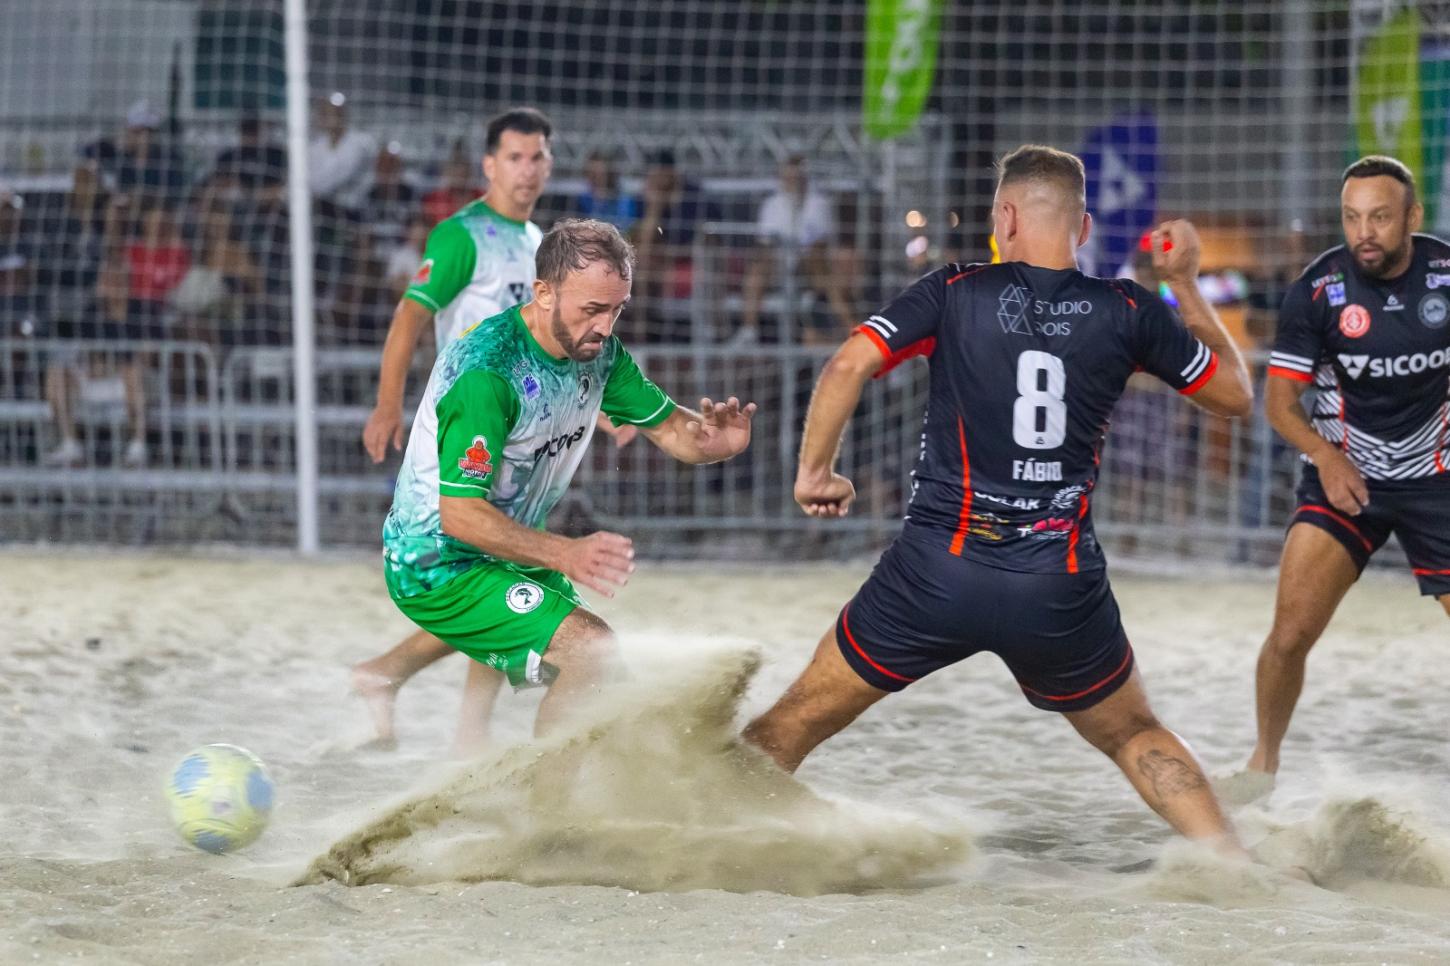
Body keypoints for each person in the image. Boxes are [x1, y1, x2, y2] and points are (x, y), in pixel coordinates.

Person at [741, 145, 1255, 852]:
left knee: (794, 720)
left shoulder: (954, 290)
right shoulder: (1130, 309)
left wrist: (815, 473)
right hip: (1055, 583)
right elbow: (1235, 396)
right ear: (1082, 225)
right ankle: (1232, 865)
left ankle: (709, 835)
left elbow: (847, 364)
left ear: (1005, 217)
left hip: (937, 571)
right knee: (1136, 733)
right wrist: (1187, 285)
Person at [381, 218, 755, 739]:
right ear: (544, 293)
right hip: (436, 566)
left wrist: (718, 444)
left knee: (607, 678)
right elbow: (458, 515)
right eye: (593, 309)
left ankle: (510, 765)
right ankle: (548, 808)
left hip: (502, 552)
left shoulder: (599, 356)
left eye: (617, 309)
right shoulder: (488, 374)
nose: (606, 326)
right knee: (590, 652)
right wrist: (565, 553)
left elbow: (674, 431)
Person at [356, 107, 626, 750]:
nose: (527, 169)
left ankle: (439, 715)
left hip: (525, 436)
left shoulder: (543, 244)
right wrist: (386, 404)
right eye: (514, 157)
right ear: (489, 164)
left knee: (501, 576)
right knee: (475, 568)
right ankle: (406, 689)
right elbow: (408, 320)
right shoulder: (462, 236)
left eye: (538, 157)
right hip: (470, 426)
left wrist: (600, 403)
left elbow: (554, 341)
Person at [1222, 156, 1450, 804]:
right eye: (1352, 218)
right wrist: (1326, 457)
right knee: (1290, 634)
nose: (1364, 232)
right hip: (1344, 476)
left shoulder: (1445, 274)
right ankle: (1262, 765)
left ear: (1412, 217)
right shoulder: (1319, 290)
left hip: (1438, 478)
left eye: (1379, 217)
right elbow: (1278, 404)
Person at [735, 155, 856, 346]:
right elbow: (766, 241)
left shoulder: (819, 204)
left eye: (796, 176)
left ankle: (852, 329)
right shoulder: (772, 205)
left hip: (812, 266)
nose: (792, 180)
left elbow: (820, 241)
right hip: (779, 263)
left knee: (819, 263)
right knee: (757, 271)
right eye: (788, 176)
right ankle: (749, 329)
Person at [568, 151, 641, 232]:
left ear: (608, 173)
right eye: (591, 174)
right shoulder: (583, 198)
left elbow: (625, 225)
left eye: (598, 174)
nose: (594, 179)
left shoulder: (623, 199)